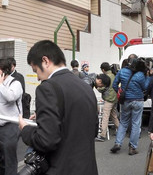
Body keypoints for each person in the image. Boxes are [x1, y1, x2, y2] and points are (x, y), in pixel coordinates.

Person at [18, 40, 98, 175]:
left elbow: (46, 140)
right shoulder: (85, 87)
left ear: (45, 61)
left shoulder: (47, 88)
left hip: (61, 168)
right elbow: (92, 128)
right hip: (87, 168)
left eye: (35, 70)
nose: (37, 77)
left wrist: (25, 129)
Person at [110, 56, 153, 155]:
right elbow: (145, 87)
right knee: (136, 123)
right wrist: (148, 77)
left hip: (126, 100)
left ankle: (118, 143)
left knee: (123, 122)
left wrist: (120, 93)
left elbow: (114, 85)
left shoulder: (122, 72)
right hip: (138, 100)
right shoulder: (140, 74)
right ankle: (132, 147)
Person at [95, 62, 120, 142]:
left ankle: (102, 135)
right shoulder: (114, 75)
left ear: (103, 69)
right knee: (114, 116)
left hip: (109, 99)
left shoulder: (106, 77)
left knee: (105, 116)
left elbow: (103, 88)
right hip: (115, 98)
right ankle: (120, 131)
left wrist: (97, 88)